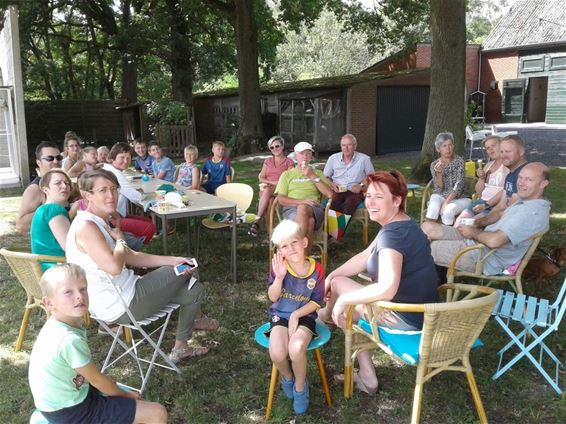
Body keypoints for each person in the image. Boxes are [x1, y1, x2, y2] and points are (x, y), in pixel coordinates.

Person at [66, 169, 211, 363]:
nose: (111, 195)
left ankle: (181, 348)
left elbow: (131, 257)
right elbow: (114, 267)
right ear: (87, 195)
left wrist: (172, 259)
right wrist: (119, 239)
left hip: (123, 296)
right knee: (190, 267)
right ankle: (198, 320)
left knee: (194, 289)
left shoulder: (98, 221)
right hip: (122, 303)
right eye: (103, 190)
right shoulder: (87, 227)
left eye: (114, 189)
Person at [317, 170, 439, 394]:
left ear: (396, 200)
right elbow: (365, 256)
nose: (370, 202)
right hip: (424, 314)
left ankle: (328, 320)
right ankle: (327, 316)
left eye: (379, 197)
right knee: (338, 284)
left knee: (344, 303)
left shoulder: (393, 236)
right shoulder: (404, 224)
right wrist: (331, 275)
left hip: (403, 317)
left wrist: (344, 299)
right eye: (369, 195)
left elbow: (387, 288)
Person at [28, 264, 167, 423]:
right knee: (157, 413)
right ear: (49, 303)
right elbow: (96, 380)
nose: (79, 296)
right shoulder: (68, 340)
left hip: (62, 402)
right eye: (68, 292)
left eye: (83, 289)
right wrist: (127, 396)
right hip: (72, 411)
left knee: (119, 393)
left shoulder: (58, 325)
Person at [428, 162, 550, 278]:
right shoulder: (527, 202)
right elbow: (502, 213)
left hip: (482, 257)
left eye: (529, 180)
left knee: (426, 247)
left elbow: (495, 241)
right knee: (428, 227)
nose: (521, 183)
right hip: (477, 243)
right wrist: (478, 222)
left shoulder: (530, 212)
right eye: (520, 178)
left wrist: (474, 232)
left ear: (543, 184)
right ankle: (435, 275)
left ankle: (427, 284)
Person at [267, 220, 325, 414]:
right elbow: (272, 297)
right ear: (279, 251)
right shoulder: (279, 268)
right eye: (284, 246)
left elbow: (317, 301)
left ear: (305, 242)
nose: (290, 249)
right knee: (277, 353)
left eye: (294, 242)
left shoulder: (316, 269)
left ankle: (300, 386)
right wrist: (280, 277)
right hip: (280, 315)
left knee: (296, 348)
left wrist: (296, 314)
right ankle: (287, 376)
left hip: (304, 315)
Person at [274, 142, 333, 254]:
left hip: (314, 209)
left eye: (308, 153)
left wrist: (312, 176)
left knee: (303, 208)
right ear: (296, 156)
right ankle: (303, 259)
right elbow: (281, 199)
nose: (305, 156)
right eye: (301, 153)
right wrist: (302, 201)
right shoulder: (287, 174)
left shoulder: (317, 173)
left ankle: (293, 252)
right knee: (309, 222)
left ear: (311, 156)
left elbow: (330, 194)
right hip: (291, 210)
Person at [323, 134, 375, 240]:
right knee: (335, 201)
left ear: (355, 146)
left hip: (355, 190)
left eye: (349, 145)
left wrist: (361, 186)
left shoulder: (364, 159)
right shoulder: (333, 158)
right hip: (338, 189)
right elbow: (325, 177)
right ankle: (331, 234)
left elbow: (371, 176)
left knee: (350, 203)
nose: (346, 148)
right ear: (341, 146)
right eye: (343, 145)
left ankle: (334, 235)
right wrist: (333, 185)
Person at [103, 142, 156, 244]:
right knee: (149, 228)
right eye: (122, 158)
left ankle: (132, 245)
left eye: (128, 158)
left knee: (148, 221)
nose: (126, 161)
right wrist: (148, 196)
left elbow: (128, 191)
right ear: (113, 158)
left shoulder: (111, 170)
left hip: (116, 214)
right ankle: (132, 250)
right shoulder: (114, 173)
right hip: (110, 219)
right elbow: (134, 196)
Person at [454, 135, 509, 227]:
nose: (491, 149)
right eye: (488, 148)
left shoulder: (507, 165)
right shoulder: (488, 165)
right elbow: (479, 192)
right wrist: (481, 178)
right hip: (481, 202)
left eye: (493, 145)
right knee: (459, 222)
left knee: (469, 225)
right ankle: (451, 239)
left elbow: (506, 191)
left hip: (495, 206)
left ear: (502, 145)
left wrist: (486, 205)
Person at [248, 136, 294, 237]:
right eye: (272, 147)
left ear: (282, 147)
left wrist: (276, 183)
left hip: (281, 189)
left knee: (268, 190)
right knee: (269, 202)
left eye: (277, 146)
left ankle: (257, 221)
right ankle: (269, 235)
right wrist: (272, 182)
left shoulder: (289, 162)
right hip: (268, 190)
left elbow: (289, 179)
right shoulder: (268, 161)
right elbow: (261, 177)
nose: (275, 149)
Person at [424, 132, 471, 226]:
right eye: (444, 146)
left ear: (453, 146)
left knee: (447, 211)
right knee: (433, 208)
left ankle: (448, 236)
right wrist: (439, 173)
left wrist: (445, 203)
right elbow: (439, 188)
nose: (448, 149)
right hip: (441, 195)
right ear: (438, 149)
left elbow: (459, 186)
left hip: (460, 197)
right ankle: (427, 232)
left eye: (450, 145)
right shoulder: (434, 164)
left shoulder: (459, 161)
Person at [16, 141, 62, 233]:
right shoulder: (35, 189)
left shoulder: (64, 183)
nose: (56, 161)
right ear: (39, 162)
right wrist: (51, 208)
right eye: (50, 158)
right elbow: (21, 225)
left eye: (59, 157)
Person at [30, 170, 72, 271]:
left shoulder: (43, 209)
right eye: (58, 183)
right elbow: (70, 247)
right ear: (46, 190)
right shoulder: (53, 210)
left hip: (48, 269)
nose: (64, 186)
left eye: (67, 183)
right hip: (59, 270)